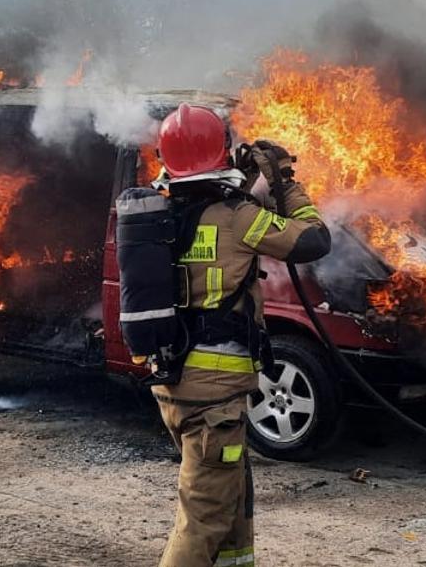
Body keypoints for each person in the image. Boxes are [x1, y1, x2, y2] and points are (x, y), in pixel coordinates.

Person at [147, 103, 330, 567]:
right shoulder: (237, 218)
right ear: (222, 154)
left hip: (180, 380)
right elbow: (313, 240)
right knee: (203, 518)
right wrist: (285, 182)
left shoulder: (164, 213)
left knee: (232, 505)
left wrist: (246, 184)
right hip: (214, 396)